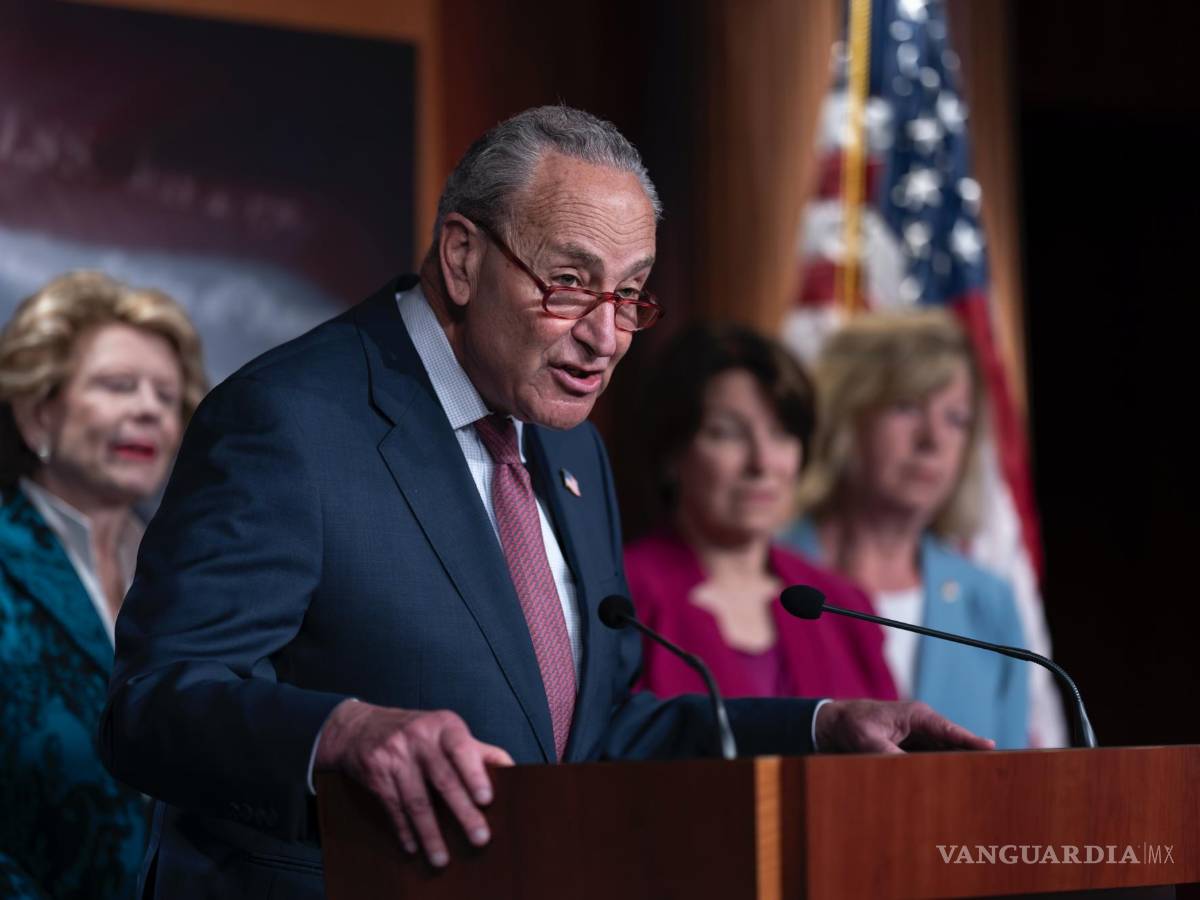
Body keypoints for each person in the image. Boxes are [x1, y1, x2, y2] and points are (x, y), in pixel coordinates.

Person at [101, 106, 992, 900]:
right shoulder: (289, 420)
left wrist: (819, 729)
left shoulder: (571, 447)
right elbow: (153, 704)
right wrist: (337, 730)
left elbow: (594, 734)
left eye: (631, 295)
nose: (605, 337)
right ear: (461, 256)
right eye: (569, 283)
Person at [0, 271, 206, 900]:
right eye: (119, 386)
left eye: (167, 397)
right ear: (39, 411)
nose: (149, 408)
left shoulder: (200, 581)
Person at [781, 310, 1036, 748]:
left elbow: (1011, 778)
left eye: (955, 418)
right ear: (847, 415)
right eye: (906, 407)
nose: (933, 441)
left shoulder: (988, 602)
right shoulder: (770, 579)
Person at [625, 323, 896, 701]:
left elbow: (891, 752)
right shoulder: (625, 599)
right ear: (672, 453)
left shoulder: (845, 606)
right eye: (727, 433)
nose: (762, 462)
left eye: (782, 433)